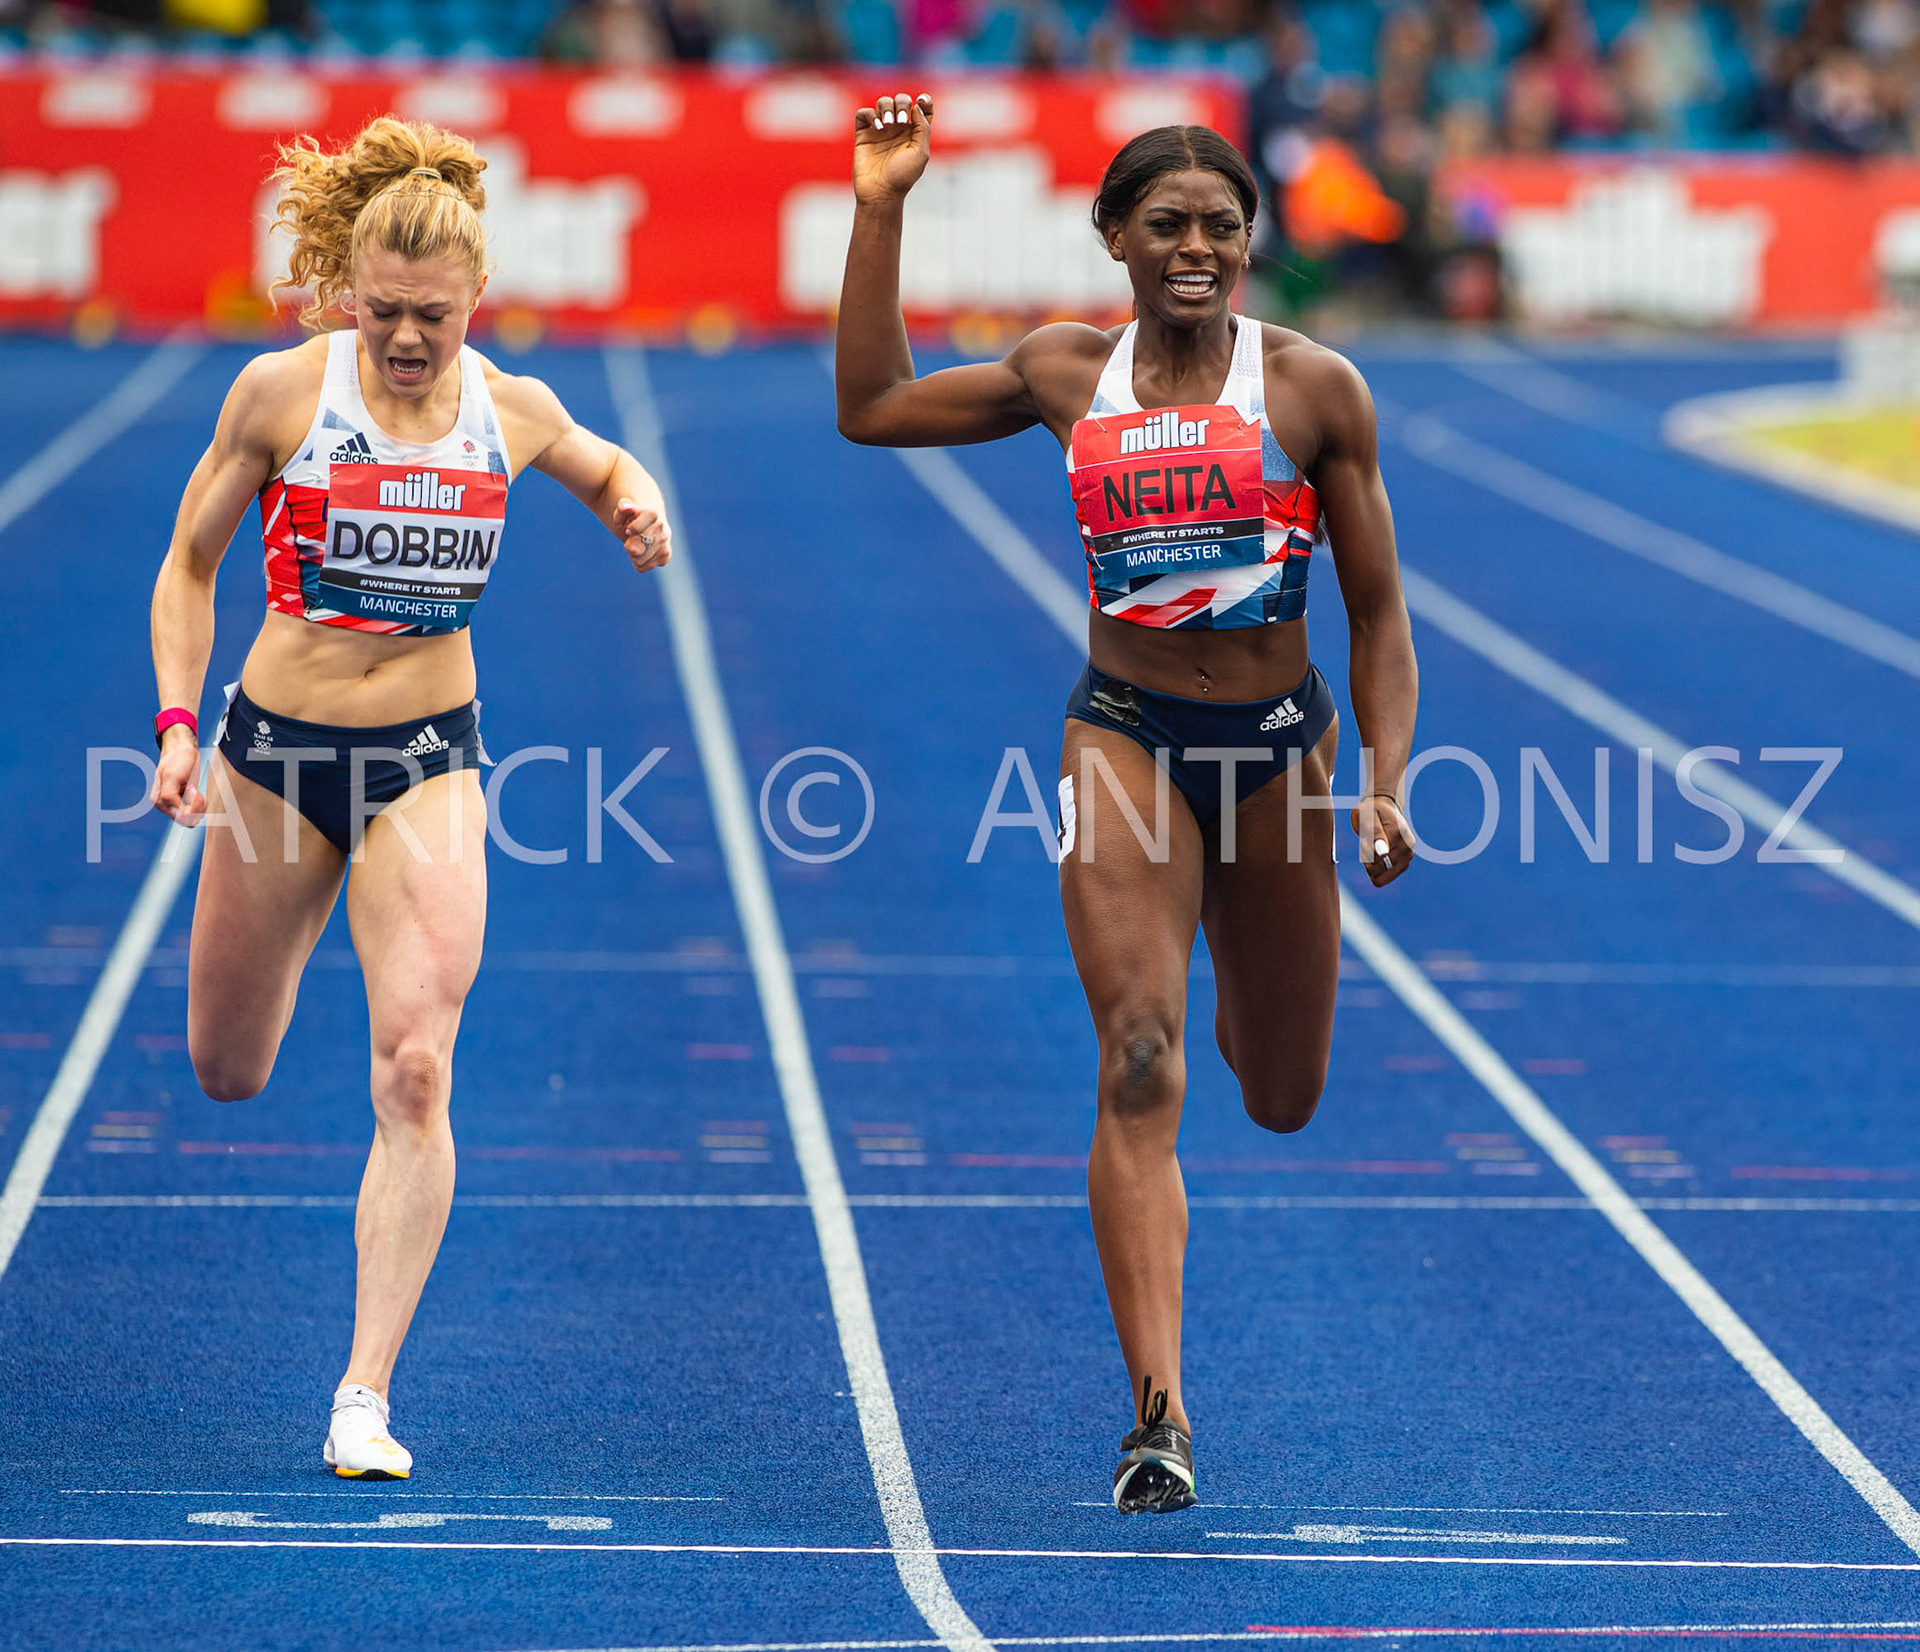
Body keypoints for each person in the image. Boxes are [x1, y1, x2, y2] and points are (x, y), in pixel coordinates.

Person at [834, 96, 1417, 1514]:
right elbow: (868, 410)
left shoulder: (1312, 392)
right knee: (1141, 1057)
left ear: (1251, 241)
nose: (1199, 246)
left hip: (1279, 751)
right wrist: (883, 205)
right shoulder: (1061, 375)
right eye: (1168, 225)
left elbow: (1381, 613)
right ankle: (1157, 1413)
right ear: (1116, 239)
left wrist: (1387, 782)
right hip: (1128, 739)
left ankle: (1231, 952)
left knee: (1277, 1094)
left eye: (1222, 225)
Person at [148, 116, 672, 1478]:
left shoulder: (511, 410)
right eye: (381, 312)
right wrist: (175, 725)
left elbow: (606, 460)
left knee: (418, 1065)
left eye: (431, 317)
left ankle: (364, 1395)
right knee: (227, 1067)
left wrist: (632, 502)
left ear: (472, 302)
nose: (404, 341)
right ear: (347, 293)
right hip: (273, 757)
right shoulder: (279, 395)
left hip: (427, 761)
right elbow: (190, 567)